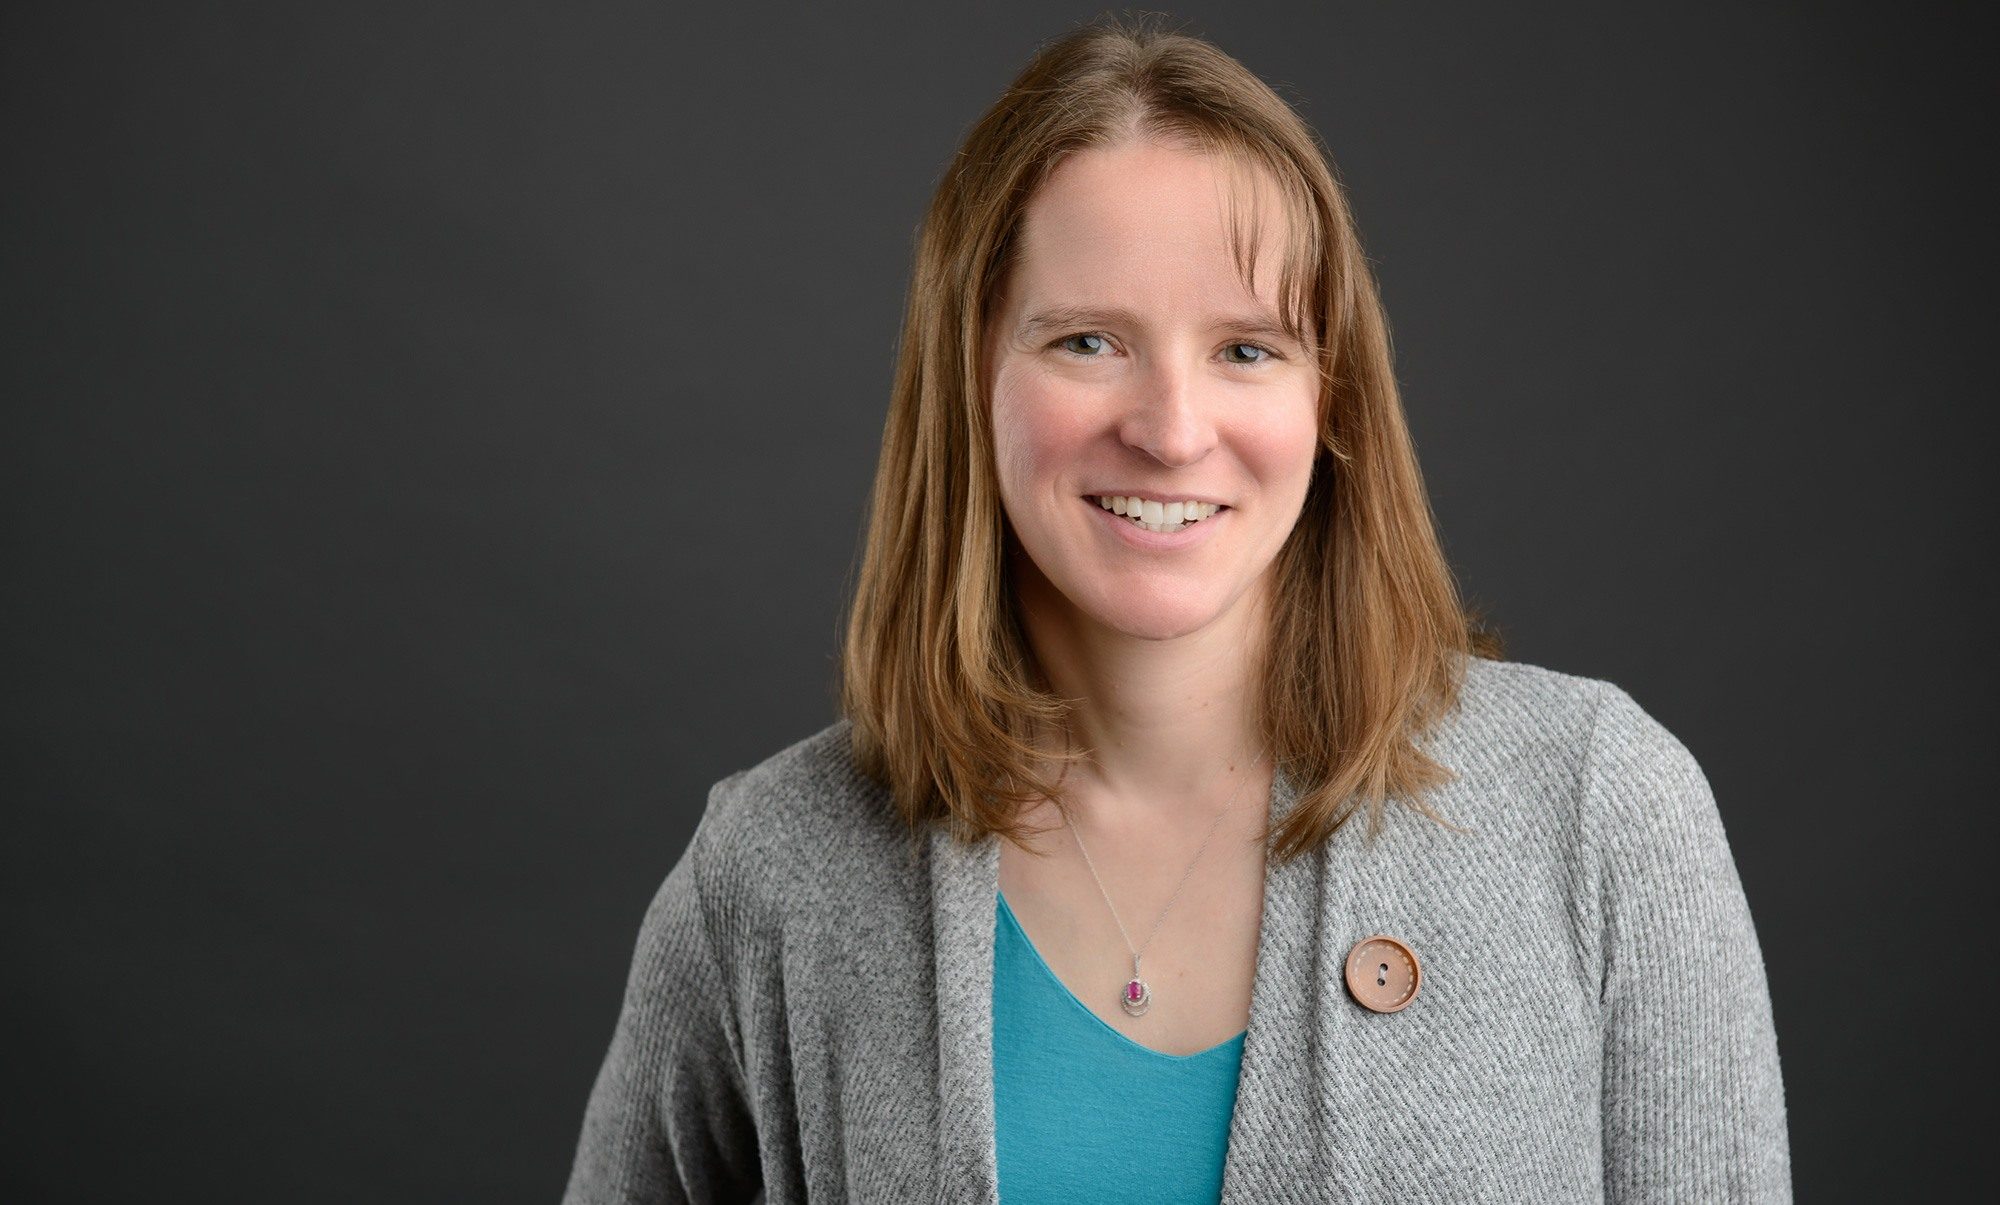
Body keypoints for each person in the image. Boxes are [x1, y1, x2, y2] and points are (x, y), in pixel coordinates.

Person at [561, 14, 1790, 1203]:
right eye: (1089, 340)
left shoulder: (1595, 808)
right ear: (969, 377)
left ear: (1333, 404)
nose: (1169, 428)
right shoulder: (772, 870)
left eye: (1246, 349)